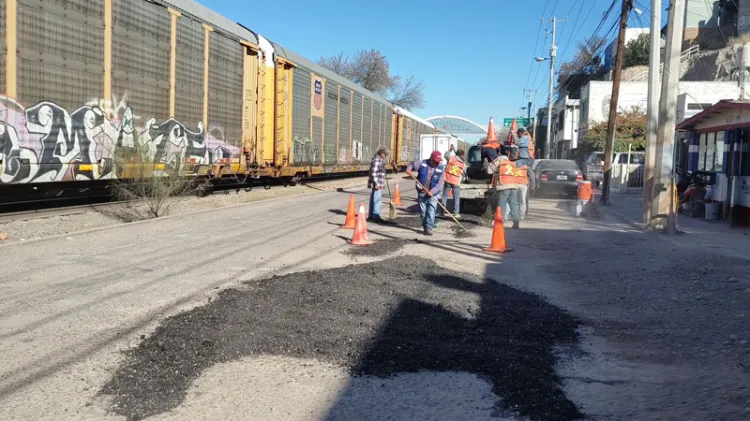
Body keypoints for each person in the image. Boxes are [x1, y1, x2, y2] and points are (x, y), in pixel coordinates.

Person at [406, 151, 446, 236]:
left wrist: (432, 191)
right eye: (436, 161)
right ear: (431, 159)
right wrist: (409, 169)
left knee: (431, 210)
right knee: (423, 211)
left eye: (438, 161)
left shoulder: (441, 169)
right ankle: (425, 226)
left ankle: (429, 228)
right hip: (422, 192)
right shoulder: (422, 163)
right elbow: (411, 164)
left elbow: (440, 184)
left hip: (433, 194)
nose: (437, 163)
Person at [492, 147, 522, 229]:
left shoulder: (498, 161)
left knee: (501, 204)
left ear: (499, 153)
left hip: (504, 185)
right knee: (513, 205)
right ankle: (516, 223)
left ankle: (499, 223)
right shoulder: (511, 163)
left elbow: (489, 170)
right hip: (513, 185)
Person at [441, 145, 466, 219]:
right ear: (462, 155)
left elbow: (445, 155)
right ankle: (456, 213)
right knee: (456, 198)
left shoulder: (451, 158)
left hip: (447, 180)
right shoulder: (463, 163)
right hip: (456, 182)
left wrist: (450, 150)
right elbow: (465, 172)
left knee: (445, 196)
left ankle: (442, 211)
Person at [367, 147, 387, 222]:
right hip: (377, 184)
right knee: (377, 199)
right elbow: (373, 173)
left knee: (374, 199)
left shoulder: (378, 160)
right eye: (384, 155)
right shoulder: (377, 160)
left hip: (378, 183)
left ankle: (371, 216)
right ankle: (376, 216)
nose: (385, 157)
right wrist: (377, 183)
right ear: (382, 154)